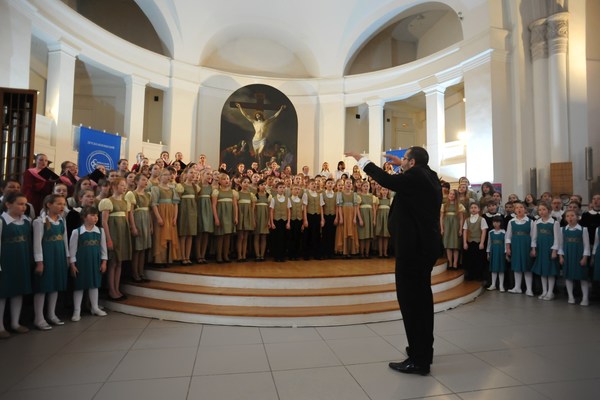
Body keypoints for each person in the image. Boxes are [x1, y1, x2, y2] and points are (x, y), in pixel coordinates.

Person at [346, 146, 441, 376]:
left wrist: (362, 160)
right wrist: (402, 164)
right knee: (421, 300)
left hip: (413, 250)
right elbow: (408, 177)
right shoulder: (429, 176)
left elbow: (386, 180)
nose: (402, 162)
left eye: (405, 159)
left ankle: (419, 361)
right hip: (423, 248)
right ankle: (422, 350)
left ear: (412, 163)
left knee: (411, 302)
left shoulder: (416, 176)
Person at [32, 194, 69, 330]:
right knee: (43, 287)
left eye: (63, 204)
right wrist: (39, 262)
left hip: (58, 255)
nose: (62, 207)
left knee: (55, 285)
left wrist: (67, 257)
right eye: (59, 204)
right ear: (49, 205)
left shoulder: (61, 221)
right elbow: (37, 243)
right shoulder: (39, 222)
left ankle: (51, 314)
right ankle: (39, 318)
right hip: (47, 256)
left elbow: (65, 240)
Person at [0, 192, 33, 338]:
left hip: (22, 260)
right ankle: (0, 326)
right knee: (3, 293)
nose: (23, 207)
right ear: (8, 204)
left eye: (25, 204)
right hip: (6, 261)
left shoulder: (26, 221)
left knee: (18, 290)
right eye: (20, 204)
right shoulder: (2, 221)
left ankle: (15, 323)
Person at [68, 206, 108, 321]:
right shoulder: (77, 232)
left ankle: (94, 307)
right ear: (84, 217)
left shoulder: (100, 231)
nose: (95, 218)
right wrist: (72, 265)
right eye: (92, 215)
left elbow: (103, 249)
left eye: (96, 215)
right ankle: (77, 311)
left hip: (95, 262)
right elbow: (72, 250)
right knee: (79, 286)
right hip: (81, 263)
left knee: (94, 285)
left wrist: (104, 262)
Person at [99, 177, 132, 300]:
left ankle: (117, 289)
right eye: (122, 185)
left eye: (125, 185)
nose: (124, 187)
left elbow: (127, 219)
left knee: (120, 262)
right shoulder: (108, 201)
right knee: (113, 262)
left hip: (123, 233)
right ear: (114, 187)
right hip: (113, 233)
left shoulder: (125, 202)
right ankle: (111, 290)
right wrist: (108, 239)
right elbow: (104, 222)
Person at [559, 210, 590, 306]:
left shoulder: (583, 229)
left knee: (583, 277)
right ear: (565, 218)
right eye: (567, 216)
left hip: (579, 255)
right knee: (568, 277)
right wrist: (561, 256)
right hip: (567, 256)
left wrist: (584, 258)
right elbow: (560, 245)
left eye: (572, 215)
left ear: (577, 217)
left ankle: (585, 298)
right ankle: (571, 297)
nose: (570, 218)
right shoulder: (562, 230)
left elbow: (586, 245)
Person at [530, 202, 560, 300]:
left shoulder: (554, 223)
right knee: (542, 271)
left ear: (549, 210)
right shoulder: (536, 222)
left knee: (550, 271)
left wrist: (554, 250)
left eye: (544, 209)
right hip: (540, 249)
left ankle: (550, 292)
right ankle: (544, 291)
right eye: (540, 210)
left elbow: (557, 238)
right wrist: (533, 249)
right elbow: (534, 237)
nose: (542, 212)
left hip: (549, 249)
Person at [506, 201, 534, 296]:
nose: (519, 209)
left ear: (525, 209)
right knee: (517, 266)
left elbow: (533, 237)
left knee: (527, 267)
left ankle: (529, 289)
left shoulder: (530, 222)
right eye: (517, 208)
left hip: (526, 245)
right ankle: (517, 287)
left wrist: (533, 248)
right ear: (514, 210)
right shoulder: (511, 221)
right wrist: (508, 248)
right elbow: (508, 236)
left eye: (521, 207)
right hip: (515, 245)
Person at [440, 189, 465, 270]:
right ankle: (450, 263)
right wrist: (442, 228)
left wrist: (460, 229)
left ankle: (455, 264)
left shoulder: (459, 205)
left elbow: (461, 219)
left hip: (455, 226)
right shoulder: (444, 205)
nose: (451, 195)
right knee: (448, 246)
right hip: (447, 225)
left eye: (453, 194)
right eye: (450, 194)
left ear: (456, 196)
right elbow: (441, 218)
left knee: (455, 246)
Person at [486, 215, 506, 292]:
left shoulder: (504, 232)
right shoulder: (491, 232)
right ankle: (493, 284)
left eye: (497, 222)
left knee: (501, 269)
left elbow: (505, 243)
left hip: (500, 252)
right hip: (493, 251)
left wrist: (505, 253)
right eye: (494, 222)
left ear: (501, 223)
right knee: (493, 269)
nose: (496, 223)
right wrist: (488, 253)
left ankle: (501, 285)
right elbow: (489, 243)